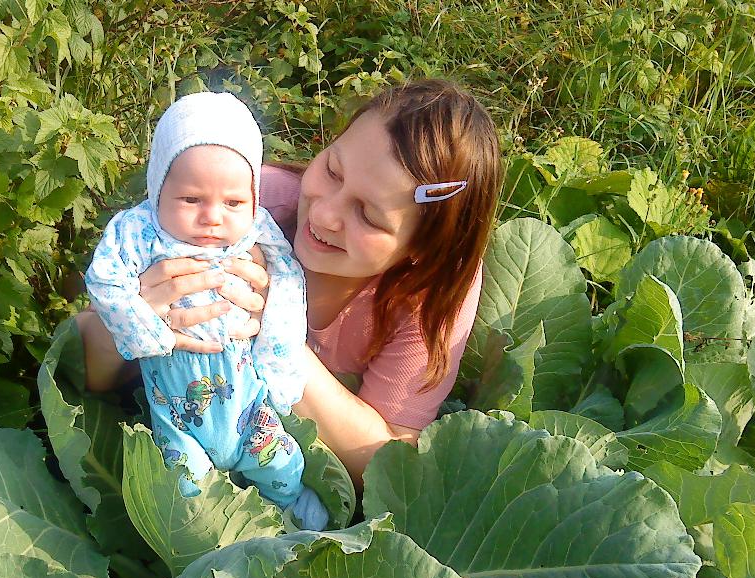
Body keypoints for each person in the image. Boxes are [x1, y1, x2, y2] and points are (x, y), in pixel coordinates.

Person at [76, 79, 501, 487]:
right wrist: (133, 323)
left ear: (422, 251)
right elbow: (82, 365)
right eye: (333, 171)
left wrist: (279, 335)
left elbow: (388, 462)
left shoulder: (434, 289)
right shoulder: (238, 204)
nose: (325, 215)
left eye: (369, 216)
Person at [84, 91, 329, 530]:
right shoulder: (137, 231)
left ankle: (293, 509)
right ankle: (213, 539)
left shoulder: (256, 230)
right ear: (159, 188)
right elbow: (104, 281)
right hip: (176, 404)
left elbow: (288, 283)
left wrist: (278, 361)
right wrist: (148, 331)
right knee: (186, 489)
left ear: (251, 197)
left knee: (279, 460)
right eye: (192, 200)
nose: (213, 217)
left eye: (233, 203)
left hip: (248, 396)